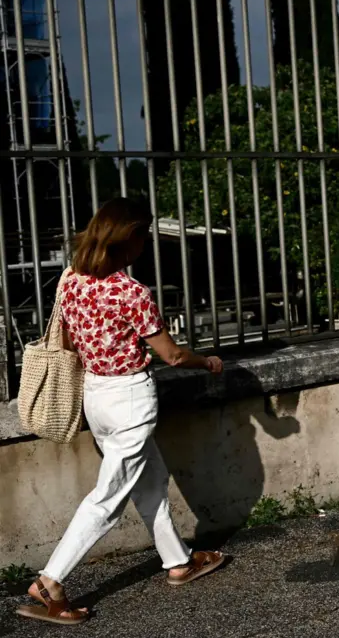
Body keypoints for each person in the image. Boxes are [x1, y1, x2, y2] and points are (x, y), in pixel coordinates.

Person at [17, 197, 228, 626]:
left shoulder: (71, 281)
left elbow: (72, 343)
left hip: (95, 397)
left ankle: (178, 562)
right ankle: (50, 582)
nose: (147, 241)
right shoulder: (132, 292)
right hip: (129, 399)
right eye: (145, 233)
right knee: (108, 498)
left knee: (150, 480)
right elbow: (170, 355)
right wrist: (206, 362)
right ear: (129, 238)